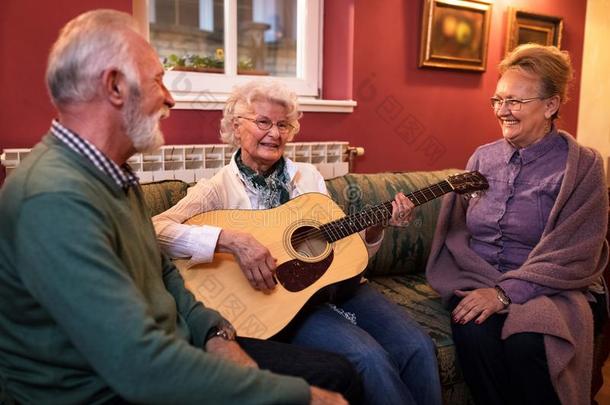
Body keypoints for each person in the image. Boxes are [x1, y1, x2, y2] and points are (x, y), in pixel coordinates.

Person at [0, 9, 363, 405]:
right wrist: (301, 397)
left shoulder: (114, 174)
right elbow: (140, 365)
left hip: (172, 347)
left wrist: (217, 334)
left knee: (339, 372)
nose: (170, 97)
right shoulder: (53, 198)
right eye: (158, 80)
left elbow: (164, 274)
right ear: (115, 86)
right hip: (102, 391)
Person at [153, 79, 443, 405]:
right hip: (284, 302)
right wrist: (230, 240)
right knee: (368, 358)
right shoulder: (217, 188)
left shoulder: (309, 177)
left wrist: (375, 230)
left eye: (283, 125)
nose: (274, 134)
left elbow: (342, 251)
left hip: (339, 286)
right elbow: (155, 230)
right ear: (236, 127)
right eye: (263, 122)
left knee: (418, 345)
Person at [426, 43, 609, 405]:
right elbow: (457, 226)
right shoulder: (483, 156)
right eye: (498, 100)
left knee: (528, 343)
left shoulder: (583, 165)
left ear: (551, 105)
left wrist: (504, 293)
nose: (502, 111)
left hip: (554, 285)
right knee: (472, 330)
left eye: (515, 102)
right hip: (480, 276)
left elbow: (577, 249)